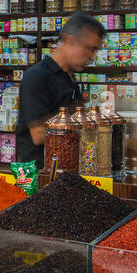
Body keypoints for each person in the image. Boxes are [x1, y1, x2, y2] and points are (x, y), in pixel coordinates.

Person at [15, 12, 105, 166]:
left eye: (96, 50)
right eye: (90, 48)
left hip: (66, 168)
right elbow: (38, 134)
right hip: (41, 175)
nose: (92, 56)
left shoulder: (69, 77)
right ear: (70, 41)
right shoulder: (37, 77)